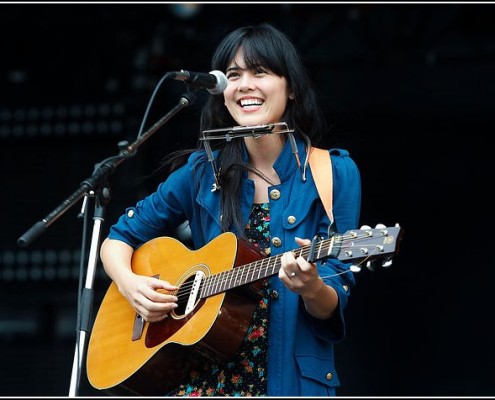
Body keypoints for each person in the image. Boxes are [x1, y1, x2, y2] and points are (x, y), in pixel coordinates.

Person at [99, 23, 361, 396]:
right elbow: (118, 239)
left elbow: (333, 303)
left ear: (291, 87)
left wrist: (312, 286)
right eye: (233, 75)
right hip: (204, 384)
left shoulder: (333, 174)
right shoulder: (201, 172)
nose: (245, 85)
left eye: (261, 72)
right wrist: (131, 285)